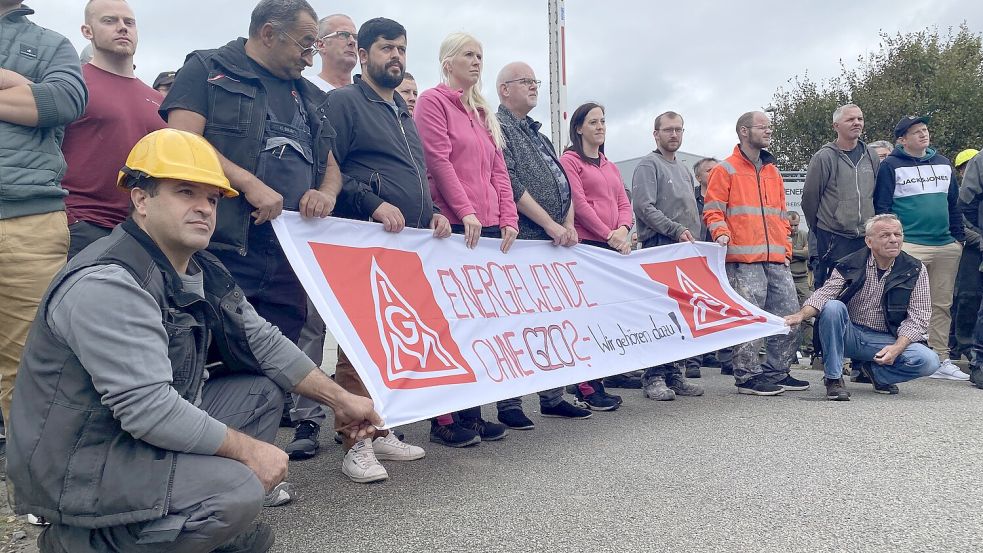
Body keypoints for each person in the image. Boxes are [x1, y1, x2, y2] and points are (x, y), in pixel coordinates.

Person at [7, 128, 381, 553]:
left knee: (259, 391)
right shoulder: (109, 281)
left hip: (126, 439)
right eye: (186, 192)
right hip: (78, 463)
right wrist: (250, 454)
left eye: (212, 198)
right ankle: (82, 541)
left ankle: (176, 522)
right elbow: (149, 411)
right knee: (235, 491)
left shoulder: (197, 269)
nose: (204, 208)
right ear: (141, 199)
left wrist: (340, 400)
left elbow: (266, 345)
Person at [160, 0, 345, 461]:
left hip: (286, 255)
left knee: (271, 358)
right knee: (203, 357)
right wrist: (247, 183)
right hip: (219, 248)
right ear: (268, 33)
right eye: (305, 43)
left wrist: (325, 192)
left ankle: (254, 462)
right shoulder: (206, 69)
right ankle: (189, 467)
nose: (310, 56)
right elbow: (182, 143)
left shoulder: (311, 97)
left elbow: (332, 168)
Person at [323, 17, 441, 482]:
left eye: (402, 50)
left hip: (407, 244)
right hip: (362, 240)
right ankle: (355, 442)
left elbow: (415, 178)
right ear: (365, 53)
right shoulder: (345, 103)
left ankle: (381, 428)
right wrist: (373, 204)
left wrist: (430, 211)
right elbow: (329, 170)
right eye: (387, 48)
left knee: (391, 341)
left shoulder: (402, 112)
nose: (396, 57)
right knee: (357, 344)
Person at [415, 32, 517, 447]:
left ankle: (472, 414)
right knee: (449, 323)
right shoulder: (432, 102)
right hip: (457, 228)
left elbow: (498, 171)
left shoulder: (481, 111)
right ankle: (443, 419)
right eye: (469, 55)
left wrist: (507, 216)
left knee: (480, 324)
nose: (477, 62)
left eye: (481, 55)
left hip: (489, 229)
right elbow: (437, 160)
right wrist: (465, 211)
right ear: (447, 61)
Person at [0, 1, 87, 427]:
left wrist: (37, 97)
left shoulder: (51, 42)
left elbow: (62, 102)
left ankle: (32, 488)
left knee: (32, 366)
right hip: (29, 221)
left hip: (28, 220)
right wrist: (17, 86)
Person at [493, 60, 592, 429]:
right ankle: (509, 403)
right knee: (515, 324)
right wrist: (550, 224)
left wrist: (566, 222)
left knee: (552, 323)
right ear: (505, 89)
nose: (535, 86)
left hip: (553, 242)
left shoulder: (539, 134)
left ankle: (552, 396)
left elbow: (559, 179)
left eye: (536, 81)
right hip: (525, 242)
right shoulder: (498, 126)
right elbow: (510, 182)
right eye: (526, 81)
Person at [703, 111, 807, 395]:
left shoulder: (772, 171)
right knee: (749, 316)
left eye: (769, 127)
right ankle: (747, 376)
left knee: (787, 314)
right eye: (762, 127)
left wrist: (785, 250)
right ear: (744, 132)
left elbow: (781, 215)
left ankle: (778, 371)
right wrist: (721, 233)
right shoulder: (725, 170)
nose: (768, 131)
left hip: (776, 259)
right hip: (744, 260)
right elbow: (713, 210)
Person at [785, 214, 938, 400]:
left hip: (886, 339)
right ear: (869, 241)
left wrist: (897, 348)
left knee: (929, 361)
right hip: (848, 334)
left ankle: (876, 373)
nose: (893, 240)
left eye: (897, 234)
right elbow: (824, 295)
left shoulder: (915, 269)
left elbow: (918, 318)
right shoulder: (849, 264)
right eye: (885, 235)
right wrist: (801, 315)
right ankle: (833, 379)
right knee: (833, 307)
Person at [62, 0, 166, 259]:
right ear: (87, 31)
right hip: (83, 223)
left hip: (143, 230)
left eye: (128, 22)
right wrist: (68, 217)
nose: (122, 28)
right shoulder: (70, 85)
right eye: (110, 21)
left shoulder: (159, 101)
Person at [874, 115, 967, 381]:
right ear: (902, 140)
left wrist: (957, 239)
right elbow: (883, 206)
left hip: (945, 245)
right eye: (916, 132)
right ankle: (906, 355)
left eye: (925, 130)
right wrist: (893, 241)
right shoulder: (890, 165)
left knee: (941, 304)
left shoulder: (944, 163)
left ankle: (940, 358)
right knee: (902, 303)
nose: (923, 135)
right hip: (910, 245)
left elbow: (953, 204)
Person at [559, 101, 632, 410]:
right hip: (589, 247)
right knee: (585, 319)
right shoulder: (571, 160)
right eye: (593, 122)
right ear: (579, 128)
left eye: (603, 121)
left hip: (612, 248)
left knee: (605, 317)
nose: (600, 126)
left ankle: (600, 378)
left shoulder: (609, 165)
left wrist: (625, 230)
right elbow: (580, 203)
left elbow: (623, 201)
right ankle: (585, 386)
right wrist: (607, 234)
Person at [630, 111, 705, 398]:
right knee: (659, 315)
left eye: (679, 130)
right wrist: (675, 229)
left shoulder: (684, 170)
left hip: (685, 252)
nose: (674, 135)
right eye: (668, 130)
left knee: (681, 314)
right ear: (656, 134)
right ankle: (654, 376)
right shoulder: (649, 165)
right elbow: (644, 207)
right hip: (660, 249)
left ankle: (675, 373)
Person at [801, 104, 879, 289]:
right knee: (830, 291)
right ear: (836, 125)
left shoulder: (871, 155)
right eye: (850, 119)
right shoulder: (824, 157)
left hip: (864, 237)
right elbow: (810, 199)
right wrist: (822, 227)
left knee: (862, 291)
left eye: (859, 118)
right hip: (833, 238)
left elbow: (874, 194)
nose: (856, 123)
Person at [949, 148, 981, 366]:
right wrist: (979, 240)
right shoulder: (964, 194)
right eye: (963, 166)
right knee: (967, 296)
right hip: (973, 247)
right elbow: (961, 215)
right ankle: (965, 345)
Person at [959, 151, 983, 388]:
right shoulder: (981, 161)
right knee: (970, 298)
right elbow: (965, 207)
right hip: (976, 247)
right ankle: (975, 357)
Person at [788, 211, 813, 357]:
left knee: (807, 315)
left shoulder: (804, 234)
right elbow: (780, 253)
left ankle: (809, 349)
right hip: (787, 278)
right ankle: (790, 352)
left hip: (802, 279)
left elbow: (807, 254)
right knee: (787, 316)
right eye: (790, 225)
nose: (793, 228)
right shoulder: (780, 234)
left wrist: (790, 252)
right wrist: (800, 252)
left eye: (796, 225)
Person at [312, 13, 356, 91]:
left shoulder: (368, 95)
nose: (352, 41)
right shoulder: (304, 89)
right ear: (321, 45)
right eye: (343, 35)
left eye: (355, 37)